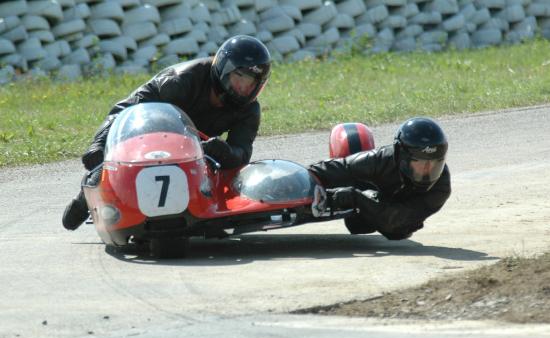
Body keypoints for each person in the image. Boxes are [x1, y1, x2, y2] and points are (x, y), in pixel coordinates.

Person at [62, 35, 272, 230]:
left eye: (251, 82)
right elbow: (124, 111)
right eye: (240, 76)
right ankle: (89, 190)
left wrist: (224, 151)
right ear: (224, 70)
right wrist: (98, 144)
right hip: (154, 132)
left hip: (199, 147)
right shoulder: (180, 81)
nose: (243, 87)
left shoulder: (249, 109)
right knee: (110, 160)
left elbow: (242, 152)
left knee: (226, 175)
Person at [308, 117, 451, 240]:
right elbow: (340, 166)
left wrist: (357, 197)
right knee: (359, 226)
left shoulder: (441, 187)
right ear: (402, 157)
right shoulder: (383, 158)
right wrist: (300, 179)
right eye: (419, 163)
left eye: (433, 163)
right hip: (367, 207)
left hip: (399, 223)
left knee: (396, 233)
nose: (427, 170)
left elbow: (396, 222)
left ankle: (360, 196)